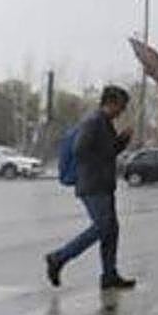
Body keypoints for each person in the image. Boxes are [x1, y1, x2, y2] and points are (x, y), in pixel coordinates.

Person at [45, 86, 136, 290]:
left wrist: (122, 141)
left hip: (103, 184)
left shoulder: (105, 123)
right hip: (92, 184)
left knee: (111, 231)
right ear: (110, 103)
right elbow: (81, 150)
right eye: (121, 106)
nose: (122, 111)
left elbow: (109, 151)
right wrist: (111, 149)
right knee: (103, 227)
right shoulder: (93, 122)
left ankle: (109, 275)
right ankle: (58, 257)